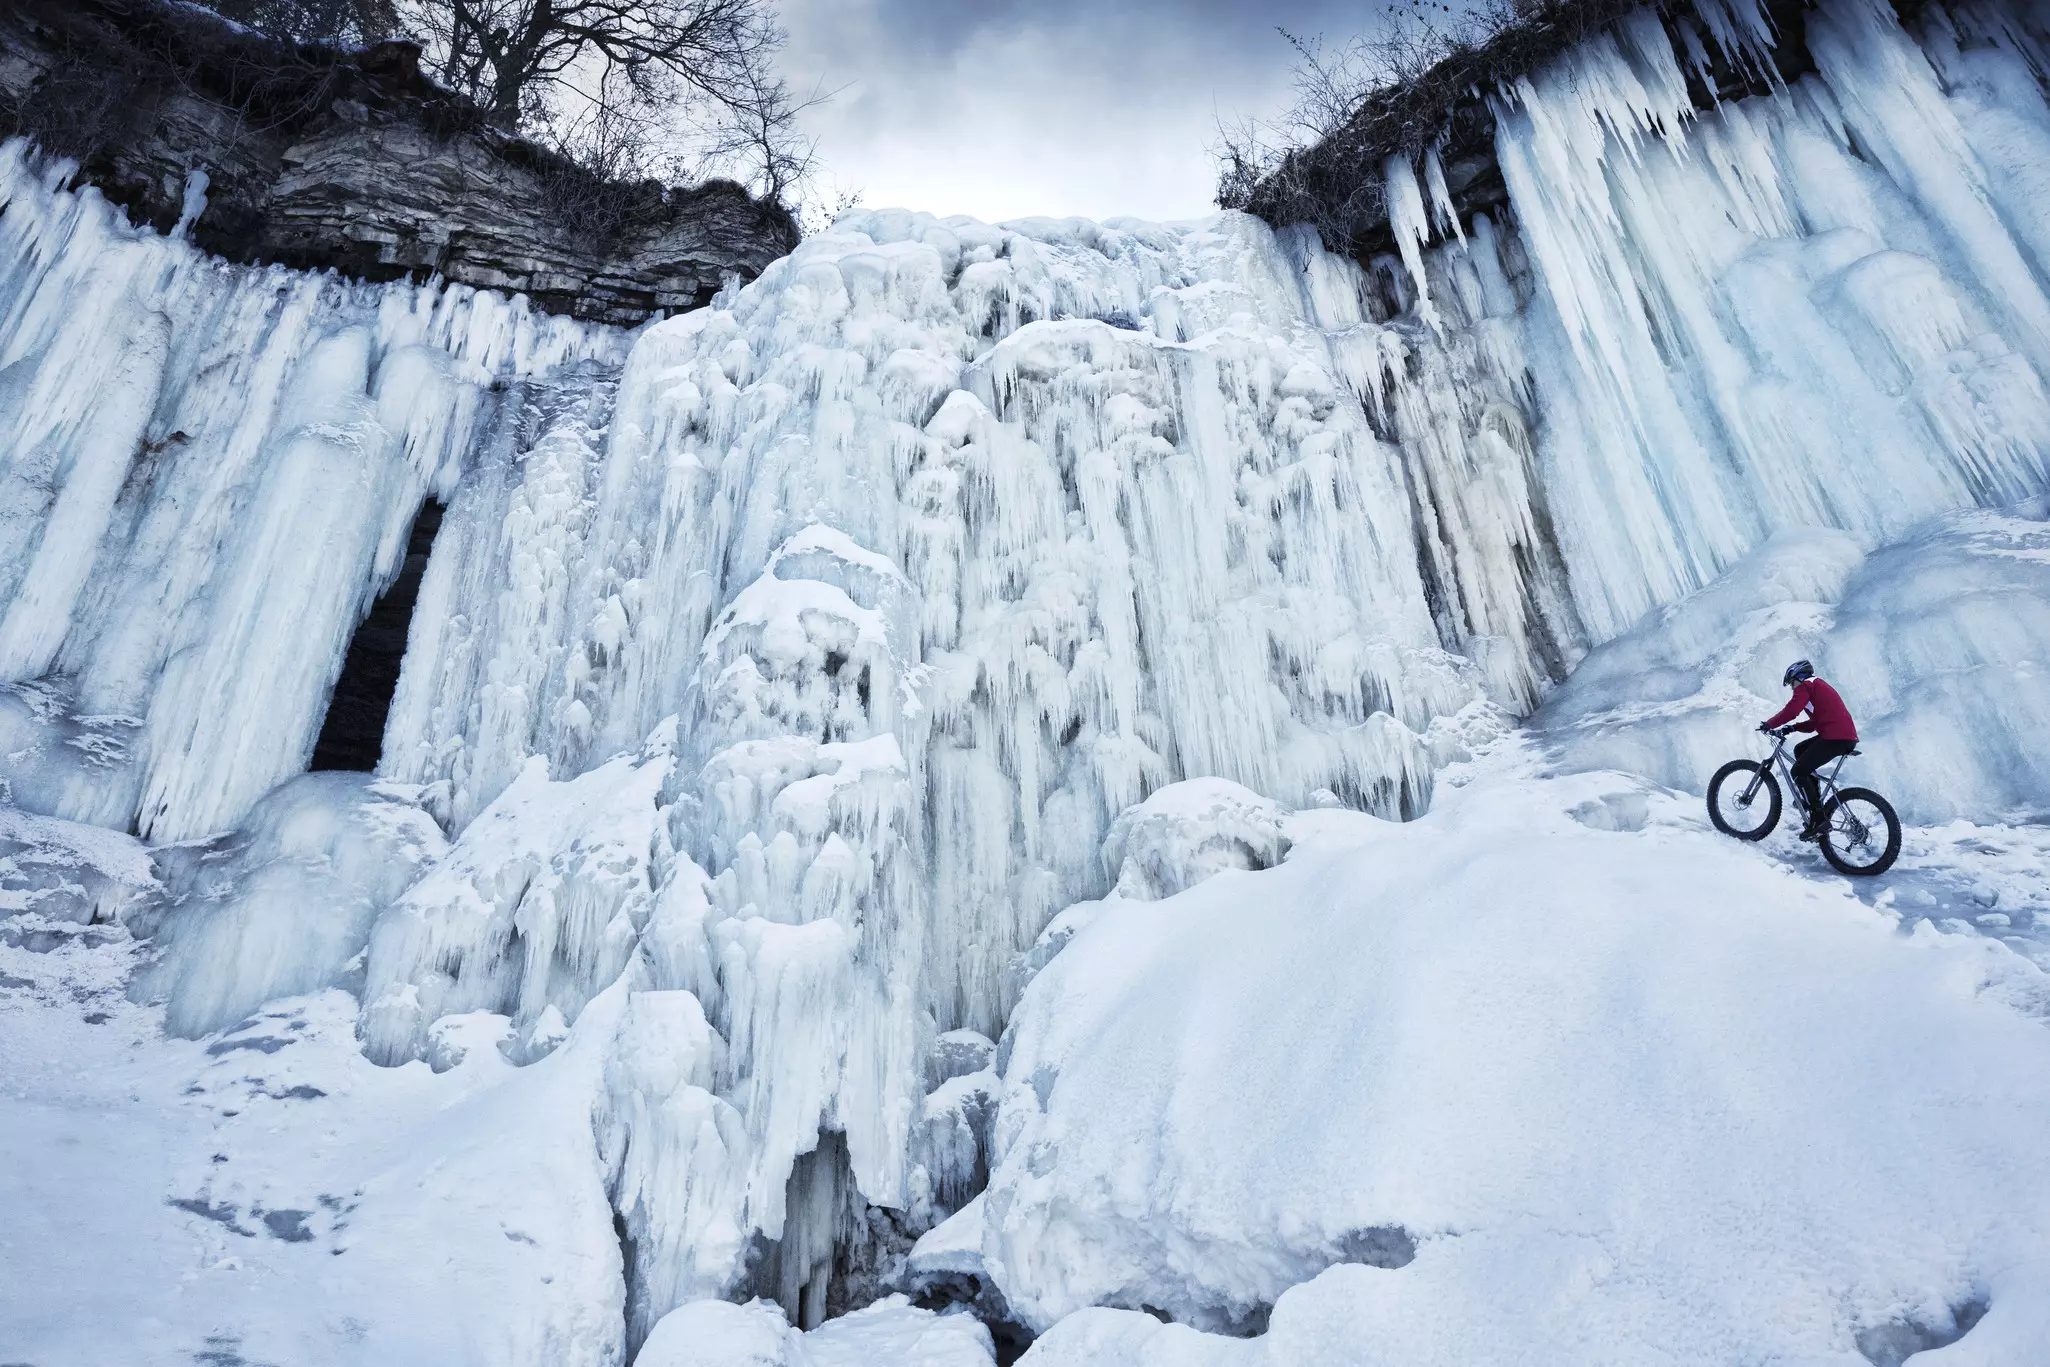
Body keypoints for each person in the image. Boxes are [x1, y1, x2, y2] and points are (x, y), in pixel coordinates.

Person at [1759, 660, 1858, 840]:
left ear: (1799, 677)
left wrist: (1769, 724)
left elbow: (1792, 710)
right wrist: (1792, 728)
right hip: (1841, 736)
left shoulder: (1806, 685)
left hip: (1835, 738)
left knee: (1798, 770)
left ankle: (1818, 819)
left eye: (1791, 683)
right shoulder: (1817, 686)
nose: (1792, 687)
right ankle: (1814, 800)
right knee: (1800, 750)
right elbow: (1815, 723)